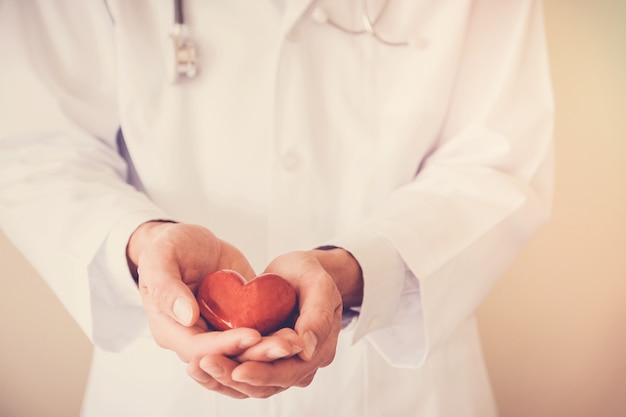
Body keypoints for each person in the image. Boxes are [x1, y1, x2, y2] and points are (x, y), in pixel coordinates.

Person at [0, 0, 554, 416]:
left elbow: (497, 159)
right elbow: (40, 148)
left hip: (400, 388)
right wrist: (143, 245)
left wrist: (360, 272)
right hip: (161, 383)